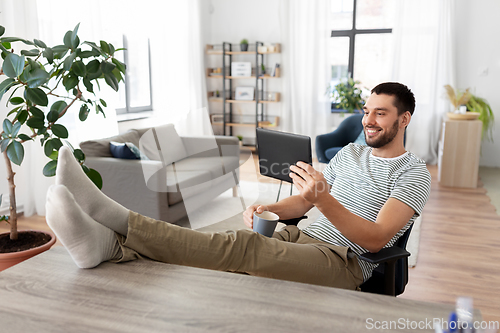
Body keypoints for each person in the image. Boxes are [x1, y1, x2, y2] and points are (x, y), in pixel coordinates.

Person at [46, 82, 431, 291]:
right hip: (302, 236)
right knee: (224, 251)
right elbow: (303, 204)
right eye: (366, 111)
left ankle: (119, 223)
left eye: (381, 113)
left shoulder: (413, 172)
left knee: (239, 248)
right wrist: (272, 209)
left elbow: (378, 239)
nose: (369, 120)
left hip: (344, 262)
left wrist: (324, 200)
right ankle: (111, 248)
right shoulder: (350, 152)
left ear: (404, 119)